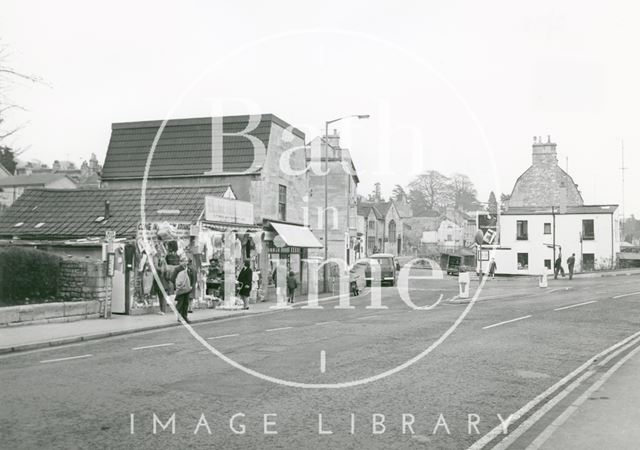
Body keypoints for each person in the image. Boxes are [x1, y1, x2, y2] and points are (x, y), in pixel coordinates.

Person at [173, 255, 191, 323]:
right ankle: (179, 317)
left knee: (186, 303)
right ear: (181, 262)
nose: (185, 262)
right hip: (180, 289)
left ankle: (185, 317)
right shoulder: (177, 269)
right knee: (180, 304)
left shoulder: (188, 268)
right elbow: (173, 278)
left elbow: (190, 277)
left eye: (186, 261)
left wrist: (190, 286)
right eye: (184, 261)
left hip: (187, 289)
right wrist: (177, 287)